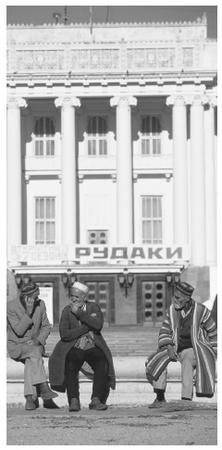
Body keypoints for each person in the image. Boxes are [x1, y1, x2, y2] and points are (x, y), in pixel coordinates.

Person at [145, 281, 217, 408]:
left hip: (195, 348)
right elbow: (165, 330)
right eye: (174, 296)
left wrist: (213, 351)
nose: (174, 300)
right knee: (158, 359)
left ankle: (186, 399)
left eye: (177, 297)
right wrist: (169, 347)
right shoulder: (172, 310)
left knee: (188, 358)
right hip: (175, 347)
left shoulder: (201, 310)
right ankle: (160, 397)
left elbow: (213, 330)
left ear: (187, 298)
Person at [49, 281, 116, 411]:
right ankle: (73, 400)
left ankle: (96, 399)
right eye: (72, 296)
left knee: (102, 362)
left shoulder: (93, 308)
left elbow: (98, 325)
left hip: (92, 345)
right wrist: (86, 328)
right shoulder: (67, 311)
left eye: (77, 297)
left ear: (84, 297)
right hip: (74, 346)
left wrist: (80, 314)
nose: (73, 299)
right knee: (70, 364)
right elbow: (64, 334)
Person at [7, 282, 59, 410]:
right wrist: (28, 313)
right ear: (26, 297)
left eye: (38, 295)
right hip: (17, 346)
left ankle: (30, 398)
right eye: (35, 297)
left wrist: (38, 340)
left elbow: (46, 326)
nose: (38, 299)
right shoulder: (10, 307)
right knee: (35, 354)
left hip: (34, 345)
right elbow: (19, 331)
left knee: (32, 359)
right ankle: (44, 388)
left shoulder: (40, 304)